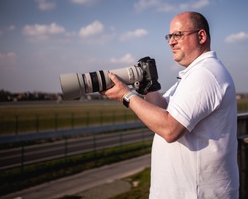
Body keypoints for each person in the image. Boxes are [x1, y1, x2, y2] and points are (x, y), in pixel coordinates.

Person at [102, 11, 239, 198]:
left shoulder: (205, 74)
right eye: (170, 36)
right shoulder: (193, 74)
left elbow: (170, 128)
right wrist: (147, 87)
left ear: (201, 36)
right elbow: (162, 109)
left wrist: (126, 95)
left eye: (178, 35)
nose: (171, 42)